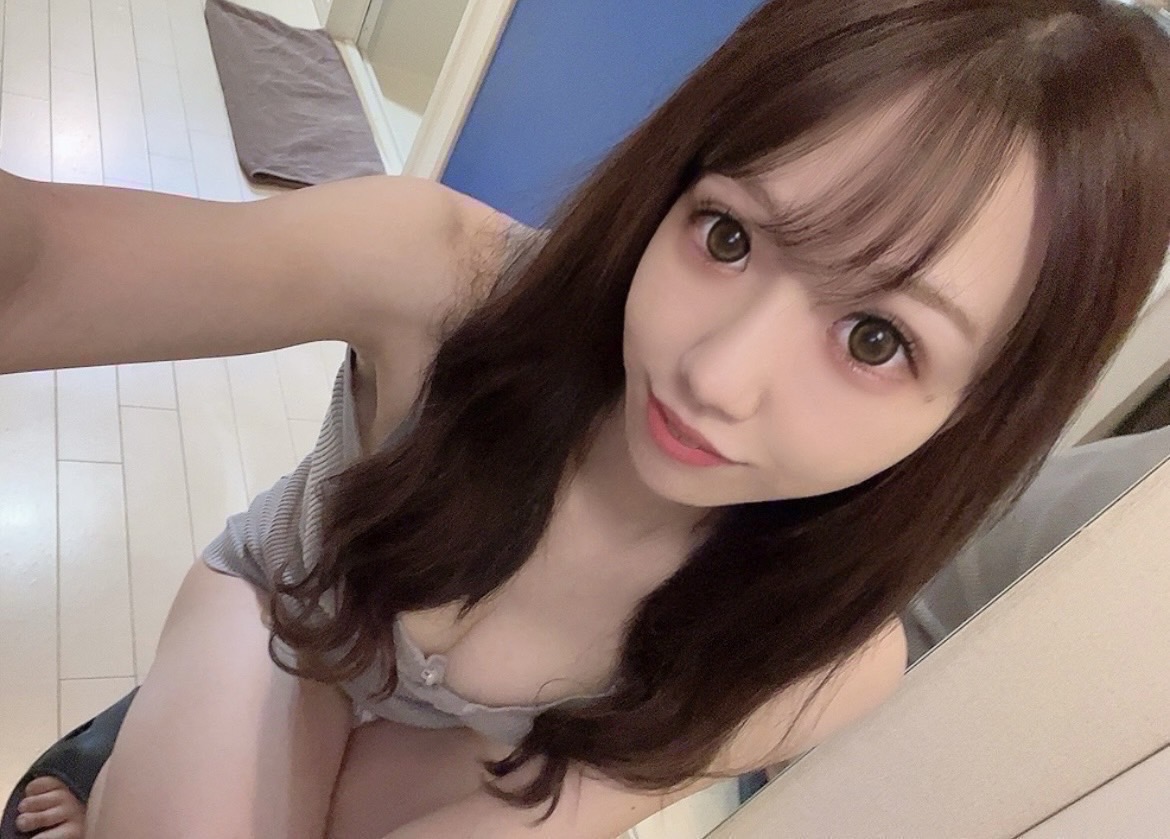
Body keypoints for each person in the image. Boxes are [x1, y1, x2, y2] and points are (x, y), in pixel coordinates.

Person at [2, 0, 1169, 836]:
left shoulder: (820, 657)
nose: (718, 374)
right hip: (292, 612)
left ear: (987, 406)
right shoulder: (447, 281)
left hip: (468, 754)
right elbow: (39, 268)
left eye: (875, 338)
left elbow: (557, 808)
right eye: (728, 235)